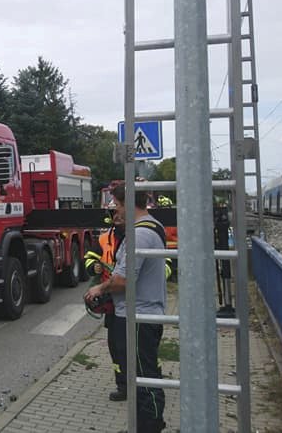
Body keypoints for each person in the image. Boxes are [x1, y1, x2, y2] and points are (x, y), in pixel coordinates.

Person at [84, 184, 167, 433]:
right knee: (140, 376)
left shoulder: (139, 235)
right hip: (140, 313)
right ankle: (143, 425)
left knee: (144, 378)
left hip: (139, 316)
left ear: (130, 204)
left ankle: (150, 426)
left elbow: (123, 280)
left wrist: (100, 289)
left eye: (118, 205)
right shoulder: (152, 227)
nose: (115, 211)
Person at [84, 208, 127, 400]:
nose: (116, 216)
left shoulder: (139, 235)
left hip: (135, 298)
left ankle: (147, 382)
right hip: (111, 296)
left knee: (137, 345)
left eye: (119, 211)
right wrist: (94, 267)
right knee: (116, 345)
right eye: (113, 213)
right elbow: (89, 257)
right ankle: (123, 385)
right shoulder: (104, 238)